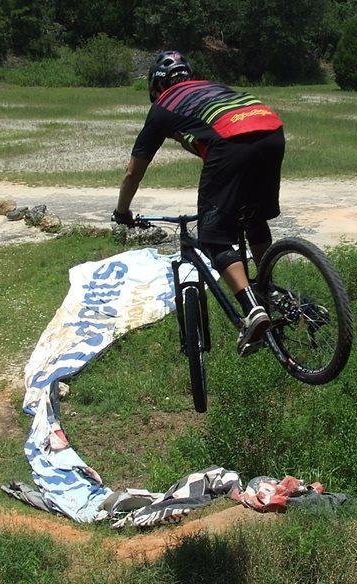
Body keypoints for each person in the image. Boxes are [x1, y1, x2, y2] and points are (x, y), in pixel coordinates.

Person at [112, 50, 285, 356]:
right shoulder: (211, 88)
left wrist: (122, 211)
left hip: (231, 140)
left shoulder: (163, 106)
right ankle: (269, 290)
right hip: (270, 128)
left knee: (213, 237)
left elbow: (132, 173)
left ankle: (252, 310)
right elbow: (208, 140)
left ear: (155, 87)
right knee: (253, 216)